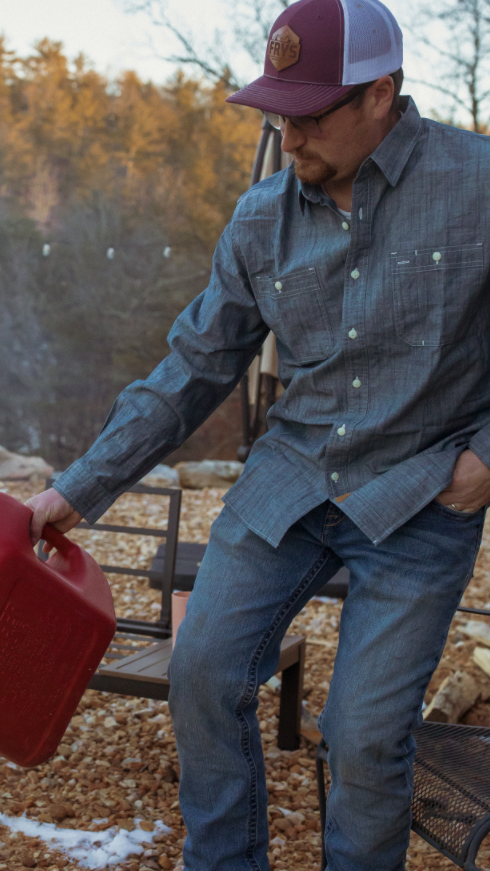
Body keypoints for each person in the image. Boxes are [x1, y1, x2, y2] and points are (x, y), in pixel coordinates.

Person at [25, 0, 490, 867]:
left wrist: (486, 462)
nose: (285, 134)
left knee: (360, 734)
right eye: (275, 109)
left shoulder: (479, 184)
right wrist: (74, 488)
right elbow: (188, 372)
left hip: (422, 492)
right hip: (290, 479)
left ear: (380, 94)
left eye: (308, 114)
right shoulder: (258, 221)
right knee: (200, 674)